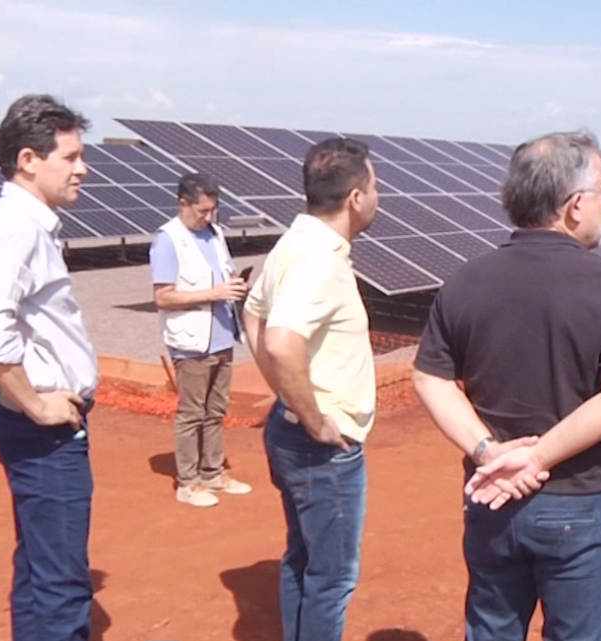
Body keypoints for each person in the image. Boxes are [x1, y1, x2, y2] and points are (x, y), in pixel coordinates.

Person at [413, 130, 601, 641]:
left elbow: (430, 377)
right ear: (574, 205)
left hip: (491, 496)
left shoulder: (465, 280)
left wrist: (487, 453)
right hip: (580, 506)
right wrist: (537, 458)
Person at [242, 136, 378, 641]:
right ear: (356, 197)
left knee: (301, 558)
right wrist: (314, 415)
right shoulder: (320, 259)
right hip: (323, 447)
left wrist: (285, 397)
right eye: (375, 184)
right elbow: (279, 340)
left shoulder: (293, 243)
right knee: (332, 576)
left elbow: (253, 314)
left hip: (291, 432)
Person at [0, 94, 100, 641]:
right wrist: (36, 402)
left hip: (38, 424)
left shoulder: (27, 222)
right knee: (61, 585)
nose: (83, 167)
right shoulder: (20, 228)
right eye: (71, 156)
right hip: (45, 429)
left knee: (38, 566)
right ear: (29, 159)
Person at [150, 172, 251, 507]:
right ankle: (188, 481)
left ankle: (213, 471)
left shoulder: (216, 233)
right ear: (183, 204)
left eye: (213, 210)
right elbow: (163, 297)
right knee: (192, 412)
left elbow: (223, 277)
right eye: (203, 211)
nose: (208, 217)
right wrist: (215, 293)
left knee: (216, 409)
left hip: (222, 337)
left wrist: (236, 288)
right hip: (191, 342)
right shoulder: (168, 240)